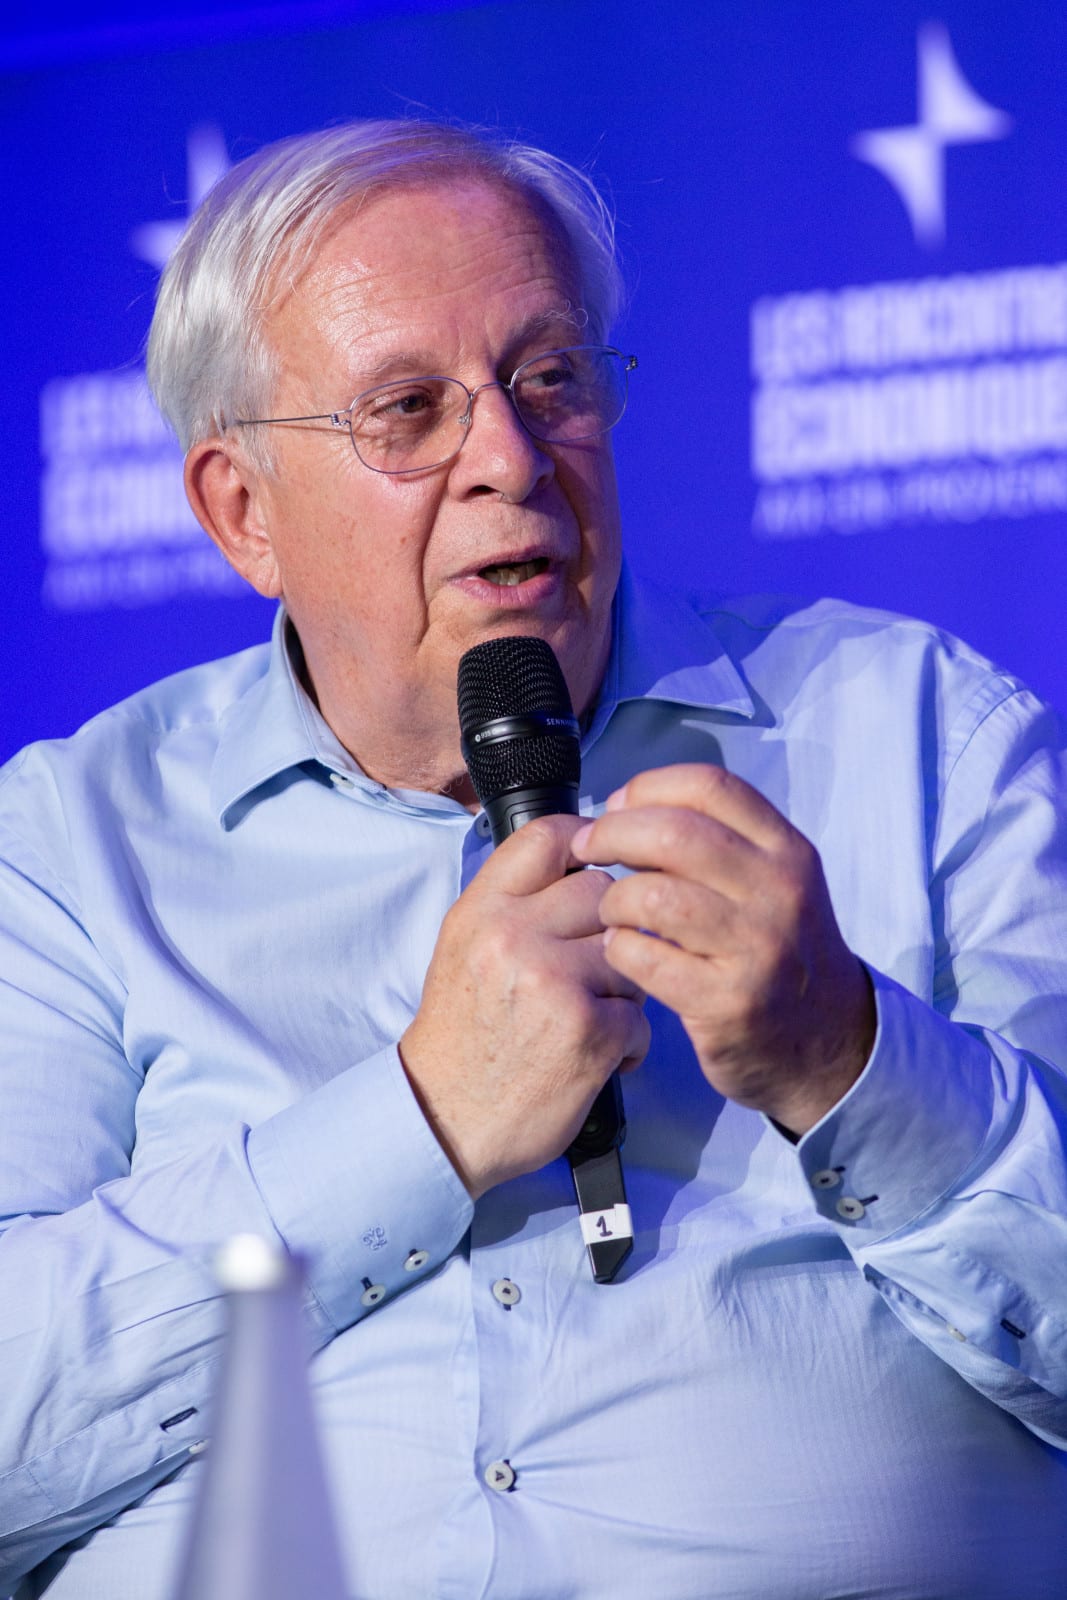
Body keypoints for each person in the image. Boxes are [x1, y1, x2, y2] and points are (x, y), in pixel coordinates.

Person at [1, 118, 1066, 1600]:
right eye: (408, 411)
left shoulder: (920, 733)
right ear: (245, 513)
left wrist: (853, 1054)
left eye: (551, 378)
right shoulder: (69, 843)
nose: (511, 459)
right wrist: (421, 1118)